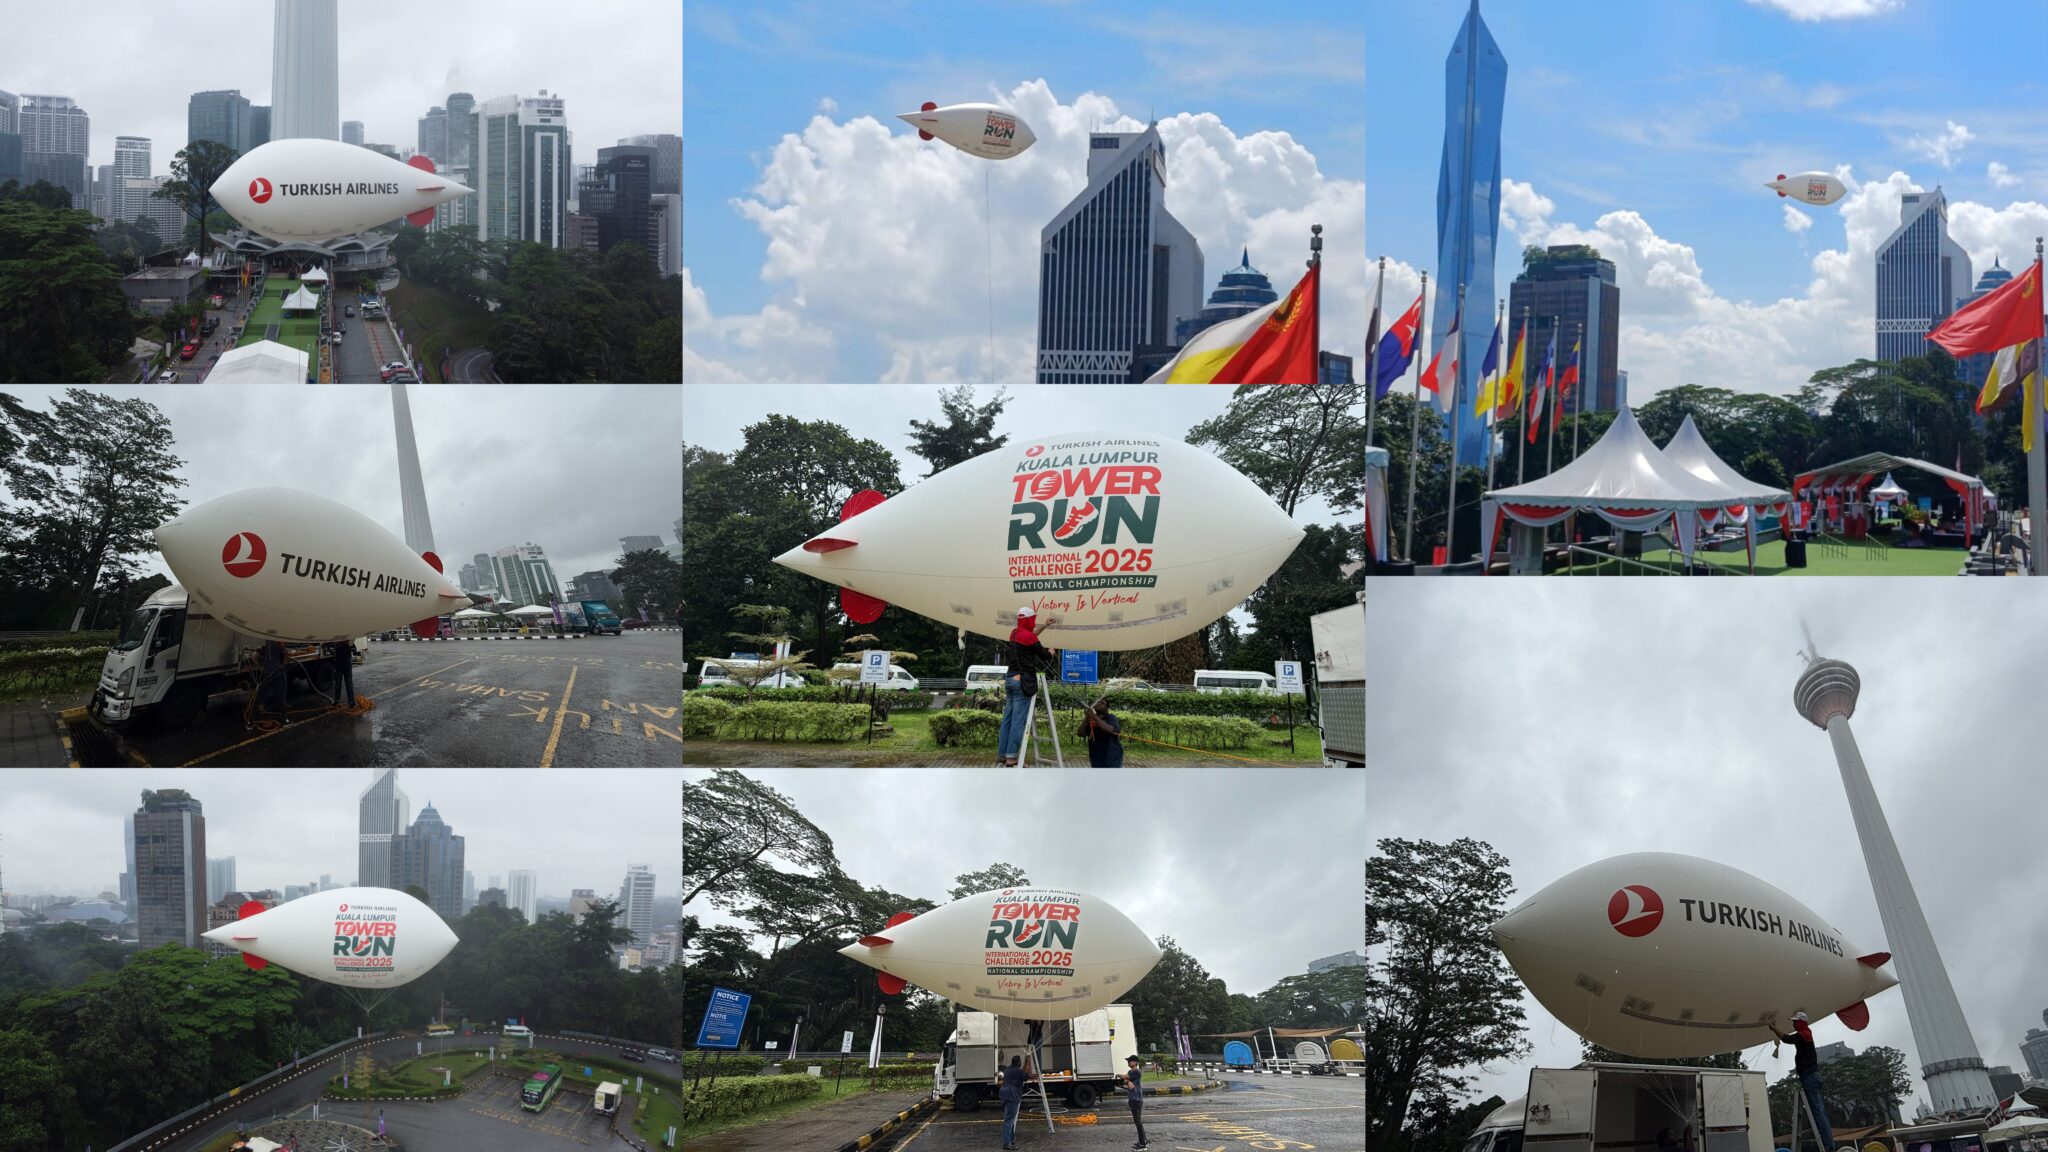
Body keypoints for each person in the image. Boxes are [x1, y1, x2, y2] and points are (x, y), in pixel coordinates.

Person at [997, 607, 1056, 767]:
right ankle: (1011, 758)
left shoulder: (1015, 633)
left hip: (1010, 679)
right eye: (1033, 620)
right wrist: (1050, 652)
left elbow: (1030, 638)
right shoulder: (1028, 637)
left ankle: (1003, 754)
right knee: (1018, 720)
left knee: (1008, 719)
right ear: (1029, 620)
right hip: (1022, 681)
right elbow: (1043, 655)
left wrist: (1044, 626)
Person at [1769, 1012, 1832, 1152]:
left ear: (1801, 1023)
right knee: (1821, 1111)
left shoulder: (1803, 1035)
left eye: (1795, 1022)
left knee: (1817, 1112)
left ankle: (1827, 1145)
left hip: (1809, 1077)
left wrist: (1773, 1028)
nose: (1793, 1024)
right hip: (1814, 1076)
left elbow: (1786, 1039)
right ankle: (1829, 1143)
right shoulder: (1807, 1033)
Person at [1114, 1053, 1150, 1150]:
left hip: (1136, 1099)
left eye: (1130, 1061)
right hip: (1134, 1099)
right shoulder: (1131, 1072)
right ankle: (1144, 1141)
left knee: (1138, 1122)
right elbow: (1126, 1081)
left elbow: (1125, 1077)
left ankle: (1142, 1144)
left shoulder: (1136, 1072)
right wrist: (1128, 1081)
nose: (1128, 1062)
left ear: (1135, 1062)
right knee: (1138, 1121)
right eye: (1128, 1061)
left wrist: (1118, 1075)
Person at [999, 1053, 1034, 1150]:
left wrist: (1025, 1064)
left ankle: (1011, 1141)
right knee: (1009, 1121)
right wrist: (1029, 1063)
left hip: (1004, 1096)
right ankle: (1006, 1144)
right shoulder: (1018, 1071)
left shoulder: (1008, 1069)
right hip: (1012, 1097)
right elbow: (1028, 1075)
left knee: (1010, 1120)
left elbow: (1021, 1072)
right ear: (1018, 1063)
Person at [1081, 699, 1124, 767]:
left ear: (1107, 708)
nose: (1099, 704)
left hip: (1112, 759)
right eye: (1097, 702)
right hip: (1096, 758)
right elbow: (1080, 733)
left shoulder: (1111, 718)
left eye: (1102, 703)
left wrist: (1094, 717)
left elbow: (1110, 730)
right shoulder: (1090, 720)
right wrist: (1086, 719)